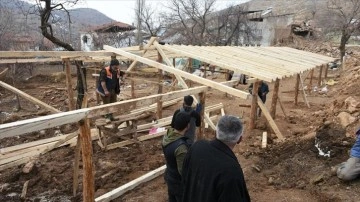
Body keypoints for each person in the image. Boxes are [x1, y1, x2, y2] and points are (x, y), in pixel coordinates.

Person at [182, 115, 251, 202]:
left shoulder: (197, 146)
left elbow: (184, 176)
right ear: (240, 139)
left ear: (215, 132)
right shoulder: (232, 170)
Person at [162, 112, 192, 202]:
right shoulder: (181, 148)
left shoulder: (167, 136)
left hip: (169, 175)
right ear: (187, 126)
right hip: (178, 184)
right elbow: (183, 171)